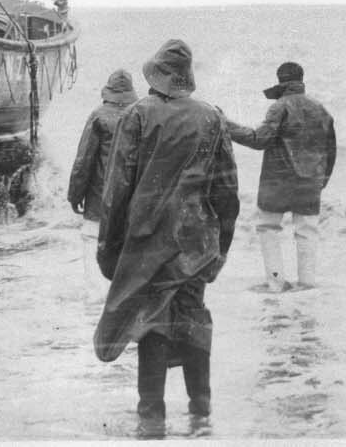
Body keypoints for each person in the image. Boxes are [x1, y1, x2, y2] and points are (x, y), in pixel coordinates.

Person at [95, 39, 240, 427]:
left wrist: (108, 247)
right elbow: (227, 190)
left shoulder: (138, 114)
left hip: (148, 240)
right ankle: (201, 408)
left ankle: (152, 417)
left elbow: (116, 189)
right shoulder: (211, 116)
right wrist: (221, 246)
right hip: (198, 240)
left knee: (152, 322)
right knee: (193, 316)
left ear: (156, 77)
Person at [225, 61, 337, 291]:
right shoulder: (321, 109)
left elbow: (259, 139)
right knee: (307, 231)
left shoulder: (280, 106)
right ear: (301, 79)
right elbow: (331, 150)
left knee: (268, 228)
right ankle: (307, 284)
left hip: (278, 181)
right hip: (310, 183)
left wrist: (225, 125)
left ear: (280, 80)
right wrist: (320, 182)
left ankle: (276, 284)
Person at [67, 69, 138, 297]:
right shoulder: (140, 116)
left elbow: (83, 161)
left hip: (99, 201)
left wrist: (75, 196)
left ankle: (95, 305)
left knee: (92, 246)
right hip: (130, 203)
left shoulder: (98, 115)